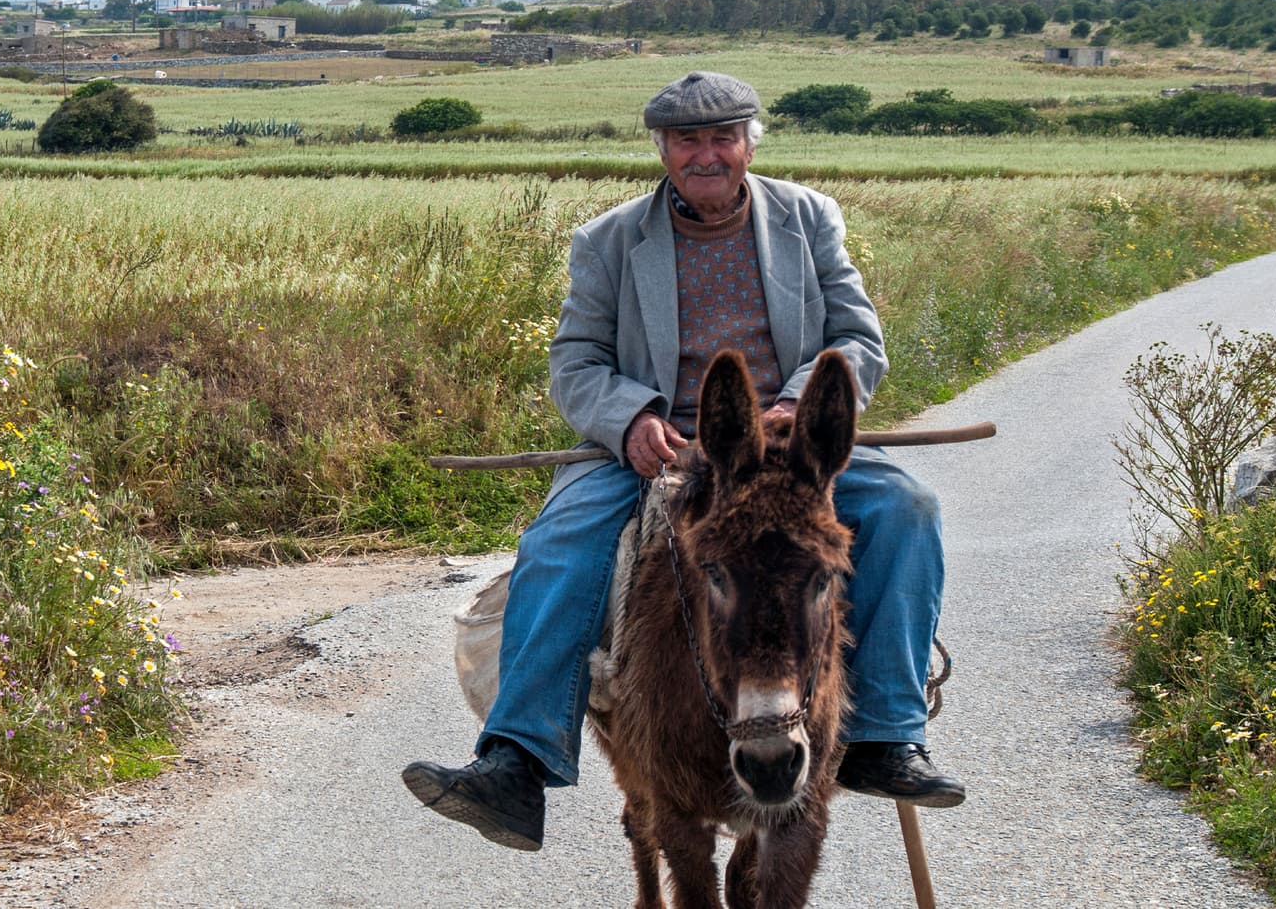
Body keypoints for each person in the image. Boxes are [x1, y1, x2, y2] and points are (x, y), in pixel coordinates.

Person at [402, 71, 962, 851]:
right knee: (560, 544)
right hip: (658, 450)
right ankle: (517, 761)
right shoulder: (608, 240)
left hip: (786, 454)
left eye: (722, 137)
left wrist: (801, 403)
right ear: (662, 149)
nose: (706, 154)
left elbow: (858, 339)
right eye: (687, 140)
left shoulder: (808, 220)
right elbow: (576, 362)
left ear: (748, 143)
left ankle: (887, 735)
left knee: (910, 508)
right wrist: (628, 415)